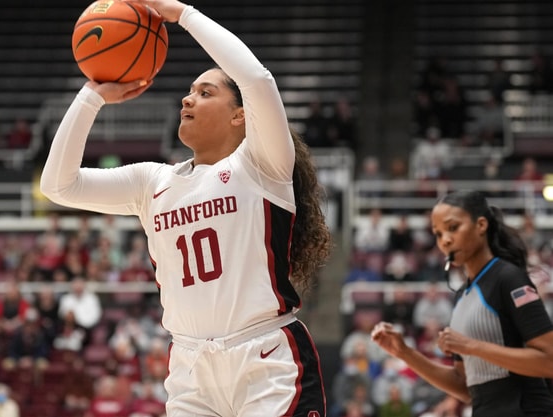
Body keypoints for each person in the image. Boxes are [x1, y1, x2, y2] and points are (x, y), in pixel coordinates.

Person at [40, 0, 332, 415]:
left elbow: (256, 79)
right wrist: (92, 95)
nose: (187, 99)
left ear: (240, 116)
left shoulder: (260, 164)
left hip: (265, 359)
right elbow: (58, 185)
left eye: (205, 92)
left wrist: (183, 15)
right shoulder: (152, 182)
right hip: (190, 369)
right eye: (190, 91)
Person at [371, 190, 553, 416]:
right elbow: (465, 387)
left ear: (481, 225)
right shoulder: (461, 296)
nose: (445, 240)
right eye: (438, 234)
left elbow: (549, 361)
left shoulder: (508, 278)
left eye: (453, 227)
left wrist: (471, 346)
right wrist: (405, 353)